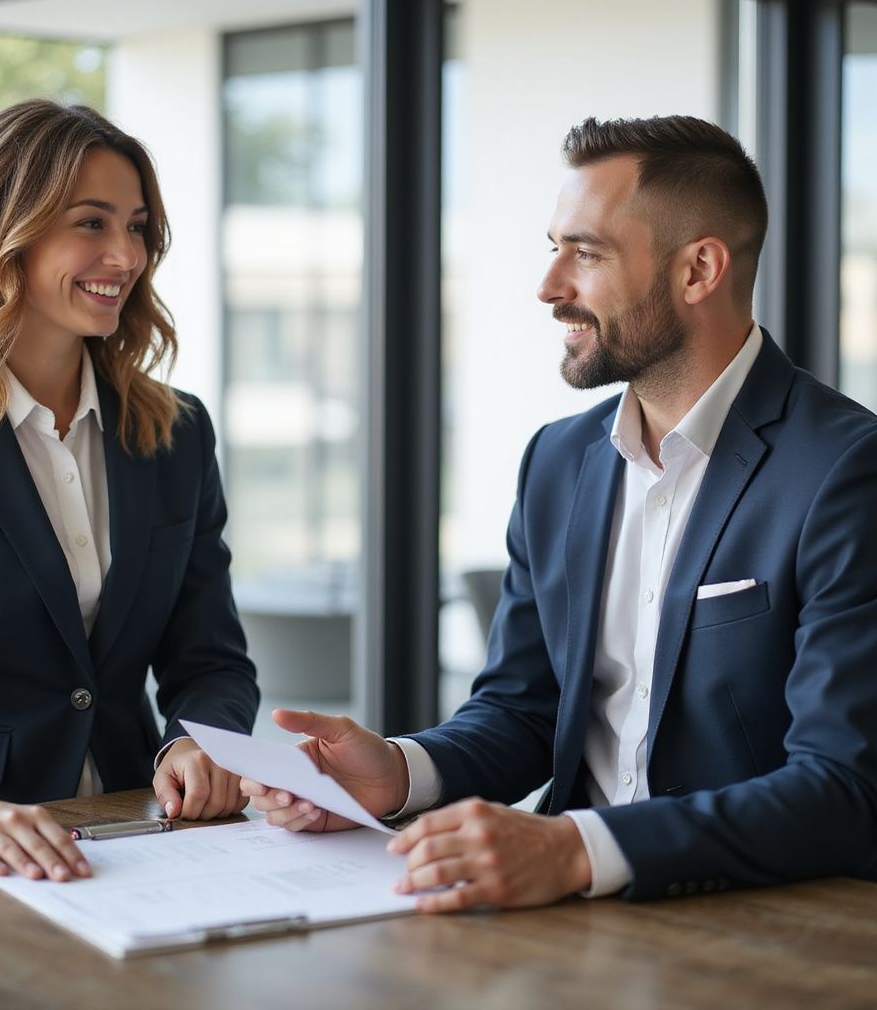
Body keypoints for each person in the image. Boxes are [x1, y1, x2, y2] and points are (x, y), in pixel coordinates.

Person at [242, 115, 877, 908]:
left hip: (753, 923)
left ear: (698, 270)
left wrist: (579, 849)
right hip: (561, 918)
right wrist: (400, 773)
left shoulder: (846, 470)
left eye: (587, 253)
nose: (549, 288)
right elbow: (524, 711)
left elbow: (843, 787)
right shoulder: (558, 461)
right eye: (554, 249)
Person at [0, 100, 259, 881]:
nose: (126, 255)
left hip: (142, 836)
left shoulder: (176, 431)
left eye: (137, 227)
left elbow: (212, 660)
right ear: (2, 231)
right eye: (91, 223)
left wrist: (197, 741)